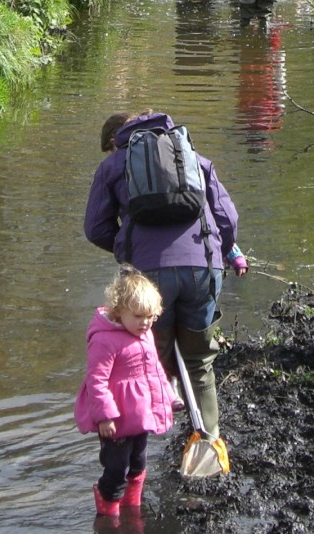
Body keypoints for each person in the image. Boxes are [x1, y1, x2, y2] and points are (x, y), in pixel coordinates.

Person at [84, 110, 244, 440]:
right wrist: (222, 251)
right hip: (203, 267)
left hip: (149, 275)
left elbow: (95, 228)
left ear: (117, 139)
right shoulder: (195, 158)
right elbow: (227, 219)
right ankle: (209, 441)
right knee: (199, 361)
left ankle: (144, 441)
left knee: (151, 356)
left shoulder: (112, 166)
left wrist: (127, 250)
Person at [74, 269, 175, 518]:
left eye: (150, 317)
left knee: (138, 462)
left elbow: (154, 370)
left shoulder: (145, 335)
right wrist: (105, 416)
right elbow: (96, 381)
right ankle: (108, 515)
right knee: (116, 468)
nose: (145, 323)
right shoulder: (104, 340)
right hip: (116, 420)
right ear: (119, 311)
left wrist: (169, 397)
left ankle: (132, 511)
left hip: (141, 415)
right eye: (138, 316)